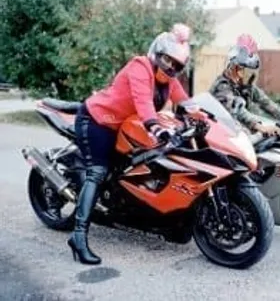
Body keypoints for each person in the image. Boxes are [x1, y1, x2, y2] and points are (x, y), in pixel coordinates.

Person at [66, 23, 202, 265]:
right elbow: (143, 103)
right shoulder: (140, 66)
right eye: (167, 60)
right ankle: (78, 236)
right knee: (97, 172)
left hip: (124, 126)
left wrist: (206, 119)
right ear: (157, 54)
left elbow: (186, 102)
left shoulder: (169, 80)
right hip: (98, 120)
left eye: (176, 65)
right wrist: (156, 126)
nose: (170, 67)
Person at [209, 34, 280, 136]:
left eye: (249, 72)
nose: (248, 75)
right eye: (243, 70)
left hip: (234, 133)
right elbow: (238, 110)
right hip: (220, 135)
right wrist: (260, 127)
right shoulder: (222, 86)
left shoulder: (246, 87)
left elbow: (266, 102)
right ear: (232, 68)